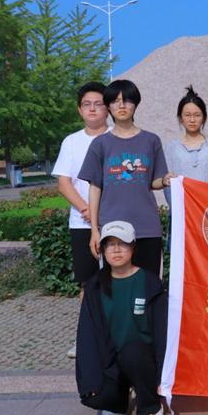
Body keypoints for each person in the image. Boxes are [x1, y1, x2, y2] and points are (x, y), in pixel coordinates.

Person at [76, 220, 167, 415]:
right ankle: (120, 399)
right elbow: (87, 337)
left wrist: (163, 378)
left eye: (122, 243)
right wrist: (89, 382)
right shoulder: (95, 287)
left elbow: (163, 334)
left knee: (132, 352)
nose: (116, 250)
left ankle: (151, 409)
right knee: (99, 399)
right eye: (110, 244)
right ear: (102, 250)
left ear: (133, 247)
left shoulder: (150, 283)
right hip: (111, 360)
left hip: (143, 359)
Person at [78, 79, 171, 277]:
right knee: (114, 286)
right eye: (115, 101)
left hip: (147, 227)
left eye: (127, 100)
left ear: (135, 104)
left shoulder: (151, 140)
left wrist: (164, 181)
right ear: (108, 107)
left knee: (149, 285)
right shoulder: (100, 144)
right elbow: (95, 188)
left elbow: (154, 181)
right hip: (112, 229)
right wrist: (94, 230)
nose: (121, 105)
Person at [52, 81, 109, 358]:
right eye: (87, 104)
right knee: (88, 283)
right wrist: (88, 210)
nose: (93, 109)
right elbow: (64, 183)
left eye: (98, 104)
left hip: (114, 222)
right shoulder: (71, 141)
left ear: (108, 108)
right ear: (79, 110)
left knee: (116, 281)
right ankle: (87, 339)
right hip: (82, 223)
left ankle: (115, 337)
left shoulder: (117, 138)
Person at [164, 85, 208, 204]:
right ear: (180, 118)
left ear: (204, 118)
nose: (192, 120)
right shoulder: (172, 147)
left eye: (197, 115)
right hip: (182, 207)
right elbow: (168, 182)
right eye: (187, 115)